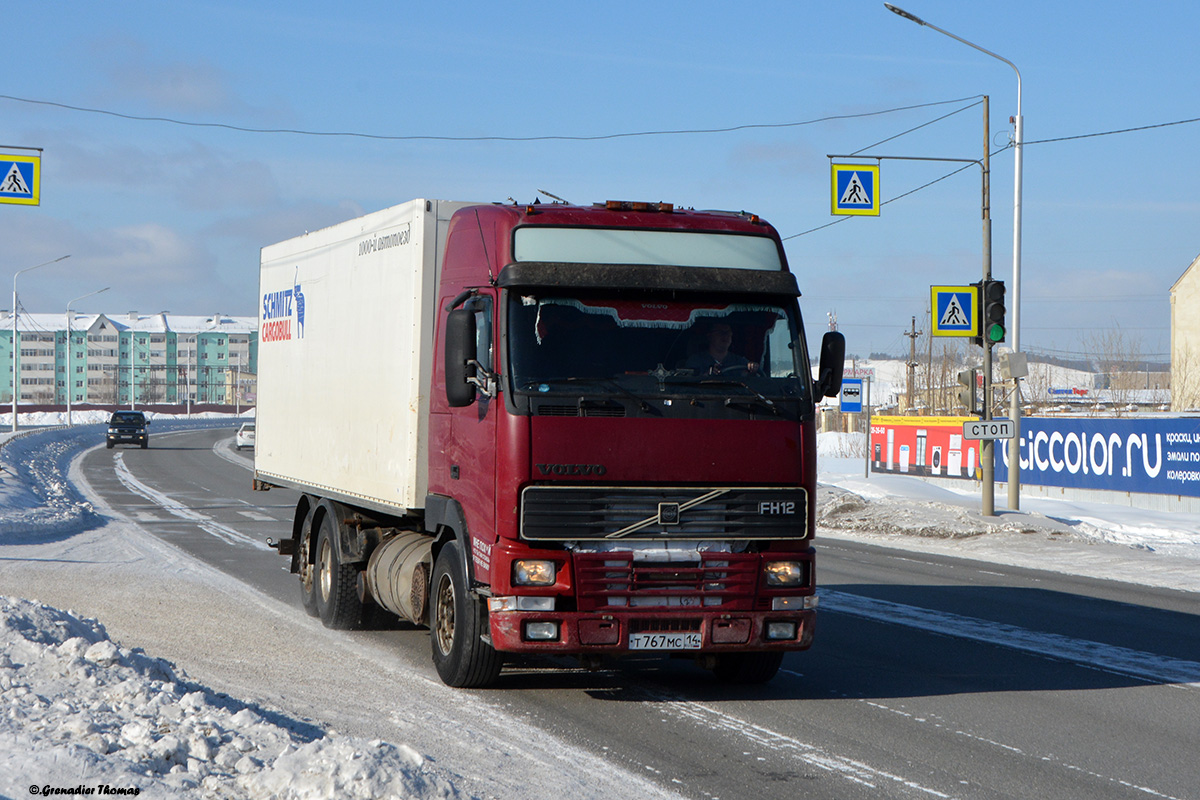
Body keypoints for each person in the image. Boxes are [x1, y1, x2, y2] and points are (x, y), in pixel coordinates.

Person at [684, 322, 758, 376]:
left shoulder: (740, 361)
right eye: (720, 332)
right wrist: (707, 375)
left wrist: (752, 370)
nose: (725, 336)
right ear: (710, 336)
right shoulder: (695, 361)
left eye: (728, 332)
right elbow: (688, 385)